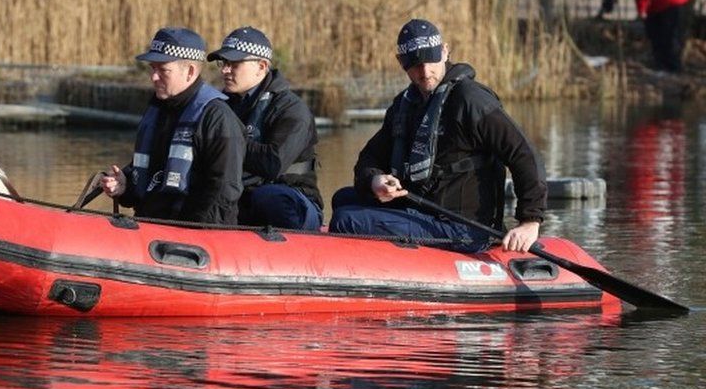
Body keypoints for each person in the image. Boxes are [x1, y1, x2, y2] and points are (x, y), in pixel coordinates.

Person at [329, 19, 547, 253]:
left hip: (464, 228)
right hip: (420, 211)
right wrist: (375, 182)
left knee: (346, 220)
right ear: (400, 63)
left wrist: (530, 221)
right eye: (415, 65)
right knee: (342, 199)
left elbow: (523, 153)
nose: (425, 73)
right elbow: (369, 157)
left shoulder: (471, 100)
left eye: (431, 61)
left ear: (444, 51)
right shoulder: (404, 106)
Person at [100, 27, 245, 224]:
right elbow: (152, 173)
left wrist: (188, 235)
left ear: (190, 71)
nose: (154, 77)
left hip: (195, 236)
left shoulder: (217, 117)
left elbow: (223, 192)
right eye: (152, 68)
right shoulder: (159, 109)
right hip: (151, 229)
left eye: (163, 70)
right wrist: (125, 185)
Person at [206, 26, 323, 230]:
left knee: (270, 199)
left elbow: (273, 163)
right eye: (223, 63)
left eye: (234, 64)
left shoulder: (292, 109)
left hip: (293, 198)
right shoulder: (221, 105)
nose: (225, 70)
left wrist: (228, 141)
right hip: (243, 192)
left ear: (261, 66)